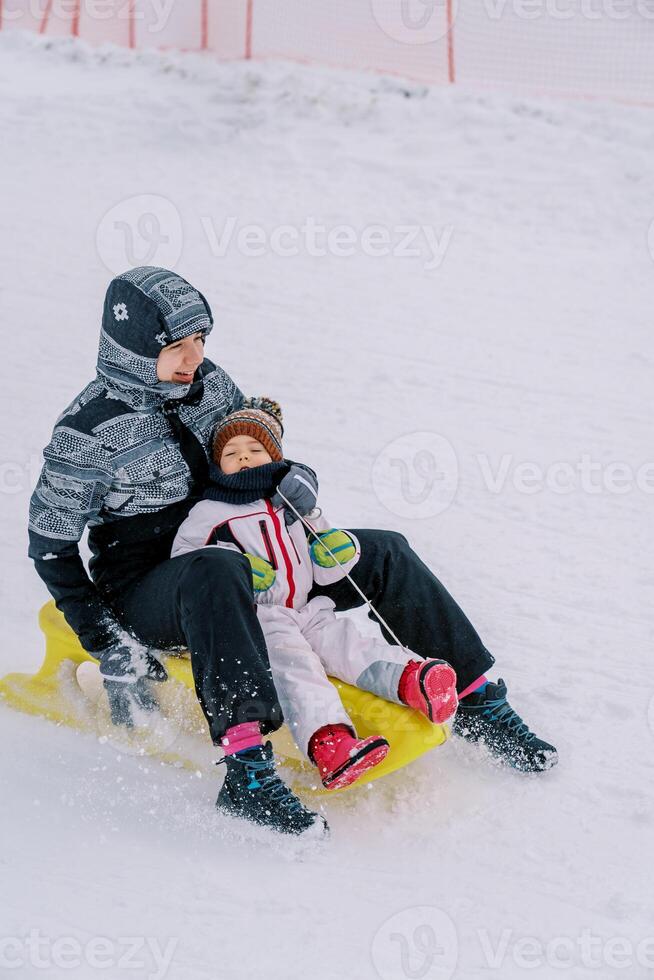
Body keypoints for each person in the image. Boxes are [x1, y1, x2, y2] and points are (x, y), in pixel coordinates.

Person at [28, 266, 556, 840]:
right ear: (131, 351)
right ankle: (247, 771)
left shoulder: (209, 385)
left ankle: (479, 700)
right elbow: (49, 544)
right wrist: (105, 639)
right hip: (152, 586)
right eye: (176, 347)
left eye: (200, 341)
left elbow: (249, 443)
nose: (194, 358)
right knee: (216, 568)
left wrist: (291, 479)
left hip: (254, 546)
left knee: (383, 551)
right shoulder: (86, 432)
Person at [171, 399, 460, 792]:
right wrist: (234, 565)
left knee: (350, 644)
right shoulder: (209, 511)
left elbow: (322, 552)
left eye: (255, 451)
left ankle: (413, 680)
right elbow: (187, 562)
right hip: (262, 618)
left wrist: (336, 550)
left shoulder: (290, 501)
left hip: (308, 608)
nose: (243, 459)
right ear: (217, 464)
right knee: (297, 669)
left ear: (274, 457)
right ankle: (330, 745)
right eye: (231, 453)